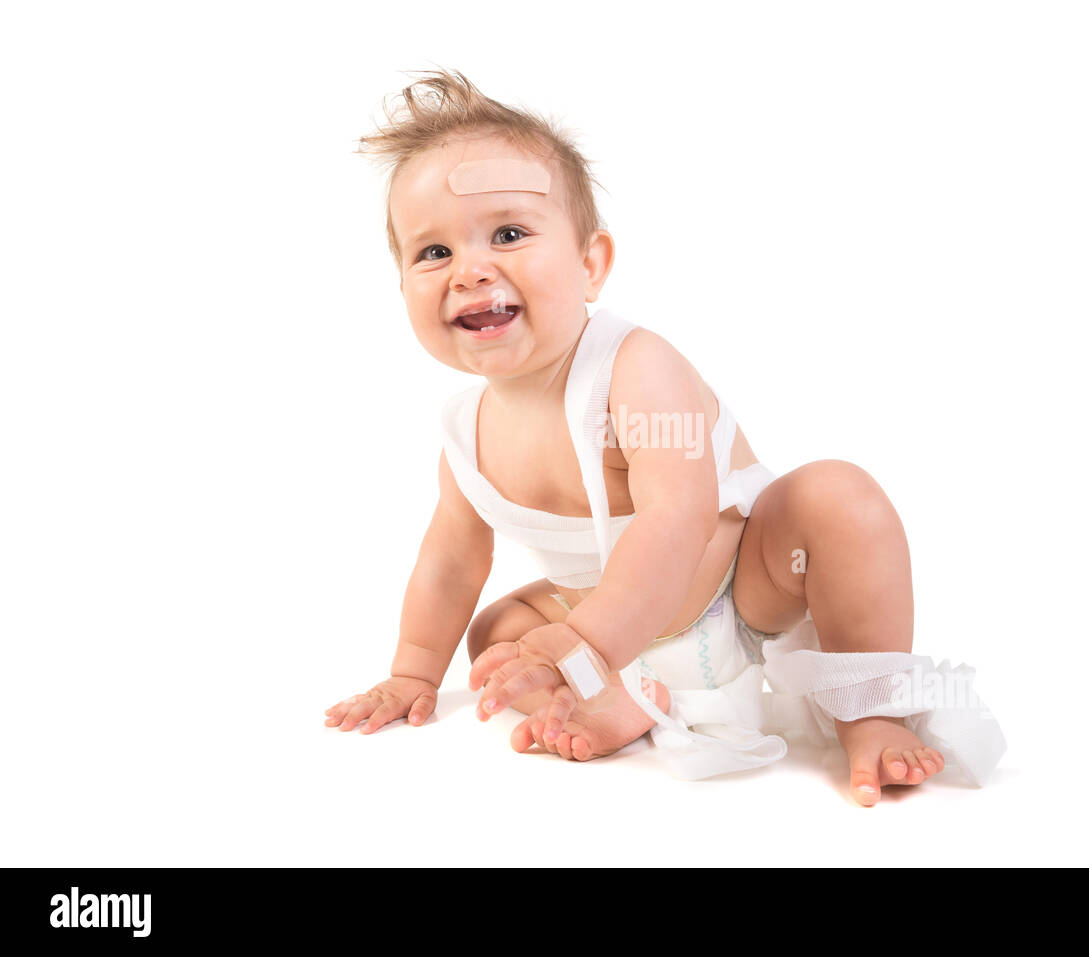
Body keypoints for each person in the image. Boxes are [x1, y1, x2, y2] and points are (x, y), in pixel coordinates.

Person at [324, 69, 1005, 805]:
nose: (470, 269)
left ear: (591, 264)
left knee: (839, 498)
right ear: (401, 290)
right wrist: (414, 672)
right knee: (494, 641)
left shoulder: (634, 368)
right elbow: (449, 565)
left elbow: (678, 517)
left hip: (743, 584)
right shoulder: (466, 436)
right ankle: (630, 699)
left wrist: (587, 646)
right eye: (432, 253)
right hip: (603, 623)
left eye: (510, 233)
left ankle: (870, 715)